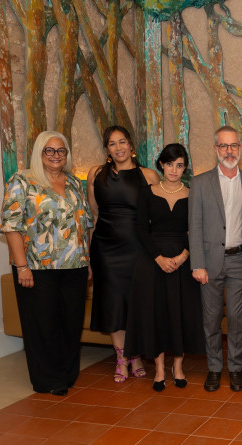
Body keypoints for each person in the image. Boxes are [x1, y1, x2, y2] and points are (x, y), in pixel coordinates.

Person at [0, 131, 93, 396]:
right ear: (39, 153)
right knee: (43, 325)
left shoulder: (74, 182)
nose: (55, 156)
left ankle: (67, 373)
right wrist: (21, 267)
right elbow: (11, 227)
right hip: (37, 268)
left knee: (71, 323)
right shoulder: (22, 181)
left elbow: (84, 225)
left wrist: (87, 261)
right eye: (49, 151)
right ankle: (47, 379)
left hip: (75, 266)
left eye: (60, 151)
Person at [124, 143, 205, 391]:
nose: (174, 170)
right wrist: (158, 257)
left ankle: (178, 367)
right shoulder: (148, 192)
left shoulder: (193, 194)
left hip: (183, 260)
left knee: (180, 313)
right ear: (161, 164)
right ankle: (159, 368)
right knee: (155, 314)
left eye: (179, 165)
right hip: (152, 262)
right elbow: (140, 229)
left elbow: (198, 230)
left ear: (185, 168)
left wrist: (183, 257)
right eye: (170, 164)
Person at [88, 126, 159, 383]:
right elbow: (94, 215)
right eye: (112, 144)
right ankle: (120, 357)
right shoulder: (96, 174)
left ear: (131, 145)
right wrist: (88, 256)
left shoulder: (149, 176)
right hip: (105, 249)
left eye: (122, 142)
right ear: (107, 149)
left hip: (138, 249)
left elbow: (157, 218)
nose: (118, 148)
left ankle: (135, 355)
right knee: (114, 303)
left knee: (136, 303)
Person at [189, 126, 242, 393]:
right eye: (224, 146)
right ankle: (214, 368)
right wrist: (197, 264)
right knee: (211, 318)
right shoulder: (200, 182)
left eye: (234, 146)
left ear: (239, 149)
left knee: (239, 319)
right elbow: (195, 225)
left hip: (241, 261)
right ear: (216, 149)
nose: (229, 151)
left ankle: (236, 369)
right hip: (210, 260)